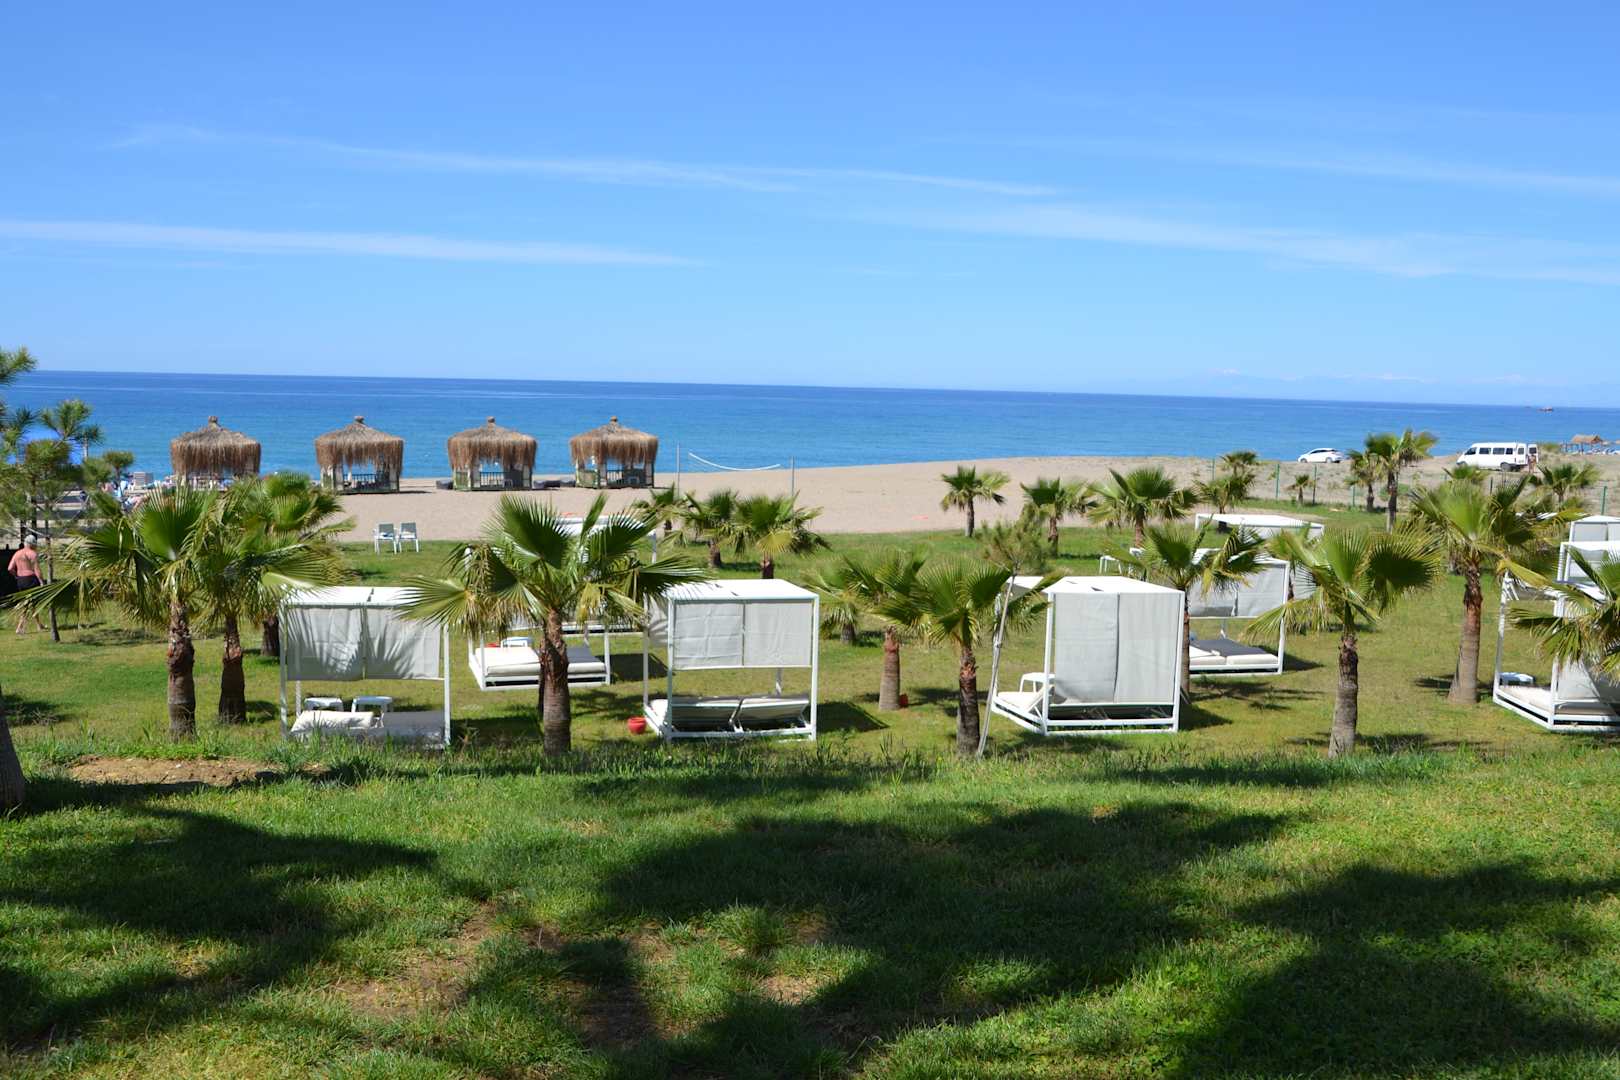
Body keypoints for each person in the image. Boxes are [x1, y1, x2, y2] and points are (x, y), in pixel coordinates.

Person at [8, 538, 47, 635]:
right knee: (28, 604)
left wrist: (16, 576)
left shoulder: (17, 553)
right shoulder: (32, 553)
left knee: (31, 604)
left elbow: (10, 568)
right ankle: (20, 627)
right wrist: (41, 581)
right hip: (31, 579)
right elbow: (37, 569)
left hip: (21, 581)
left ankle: (39, 625)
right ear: (32, 544)